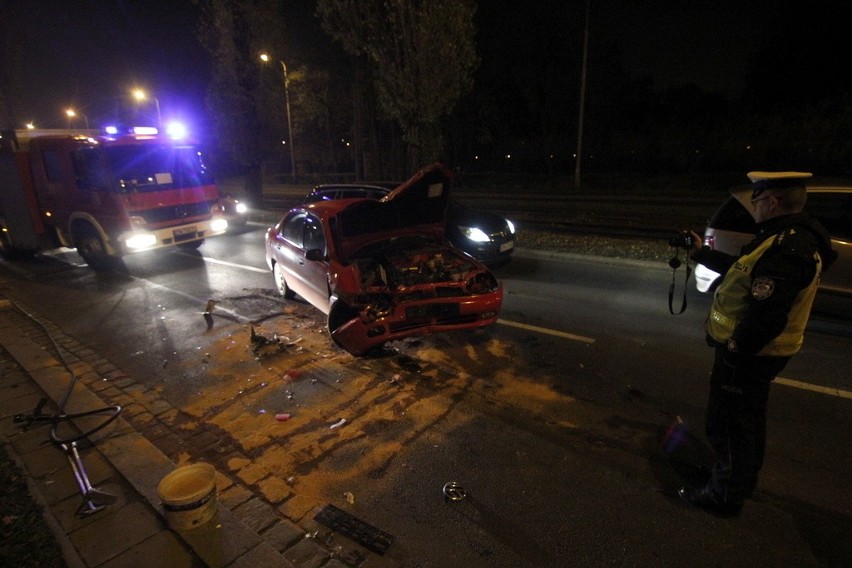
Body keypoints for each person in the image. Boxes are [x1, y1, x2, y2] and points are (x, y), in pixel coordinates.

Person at [678, 171, 837, 516]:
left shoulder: (788, 248)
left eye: (758, 199)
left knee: (729, 423)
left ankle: (723, 495)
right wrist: (700, 254)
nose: (755, 206)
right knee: (747, 419)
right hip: (759, 352)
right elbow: (742, 269)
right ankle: (737, 480)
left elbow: (768, 314)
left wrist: (736, 349)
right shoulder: (783, 237)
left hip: (751, 353)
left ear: (774, 201)